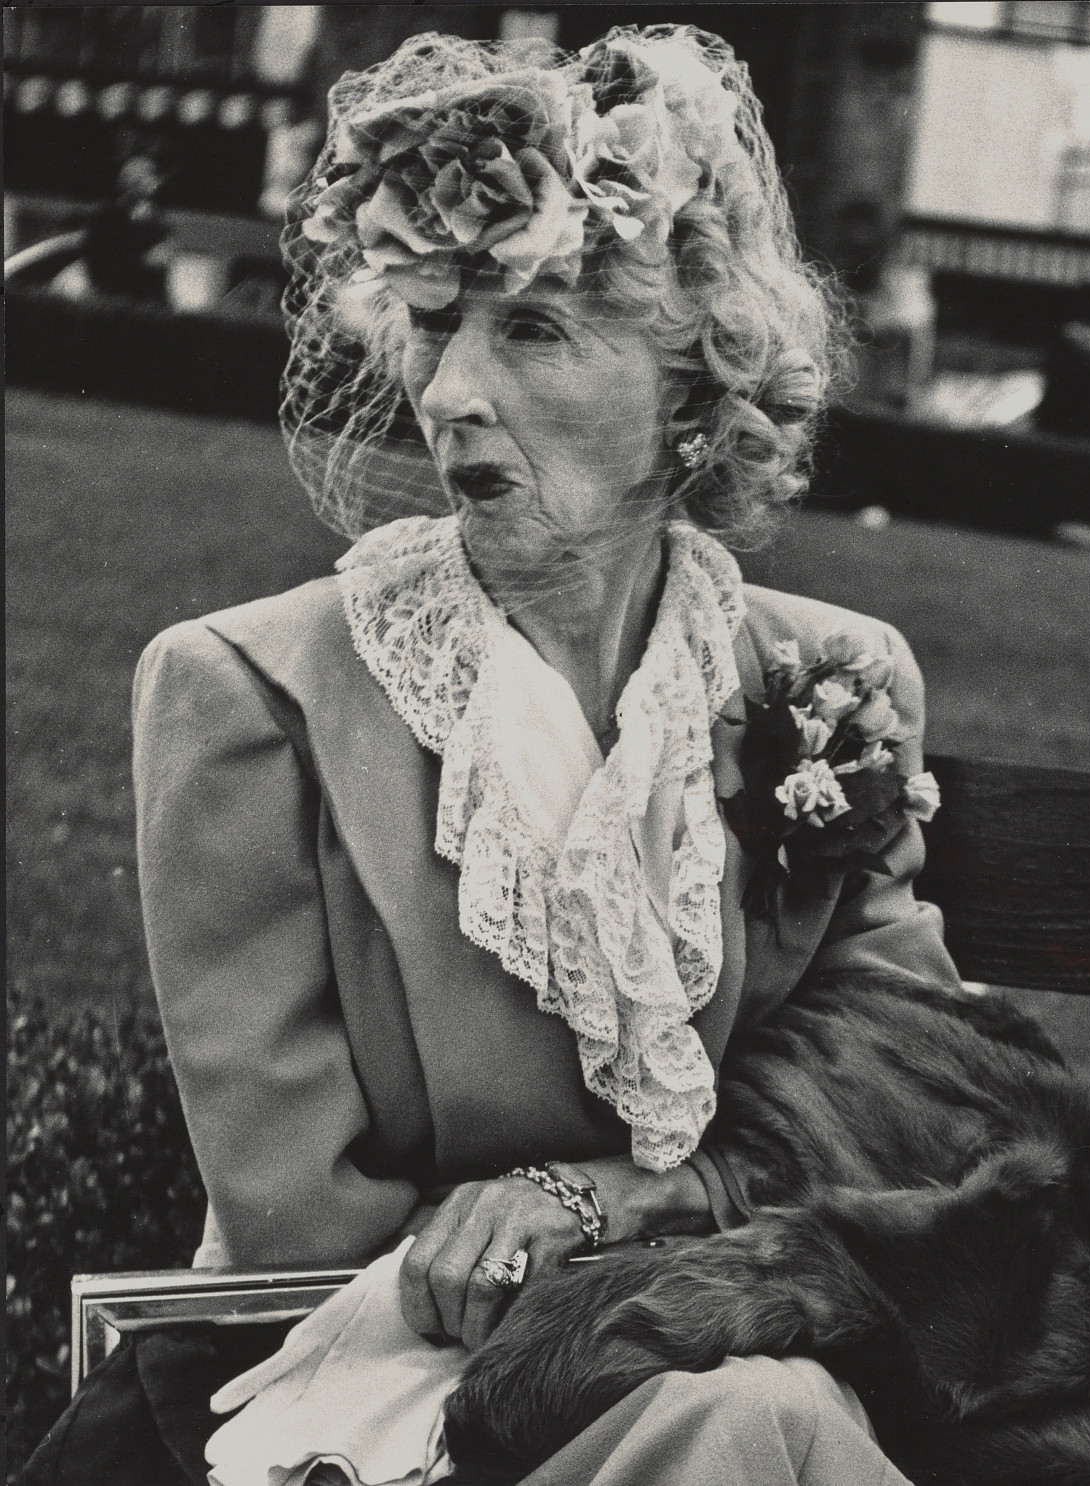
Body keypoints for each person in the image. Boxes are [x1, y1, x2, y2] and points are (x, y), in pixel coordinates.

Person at [30, 25, 961, 1485]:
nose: (450, 388)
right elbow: (299, 1225)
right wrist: (678, 1240)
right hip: (358, 1381)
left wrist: (601, 1197)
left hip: (725, 1339)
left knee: (769, 1414)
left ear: (692, 383)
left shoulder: (826, 684)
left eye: (528, 329)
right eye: (434, 321)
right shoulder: (246, 696)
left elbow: (903, 1099)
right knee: (761, 1425)